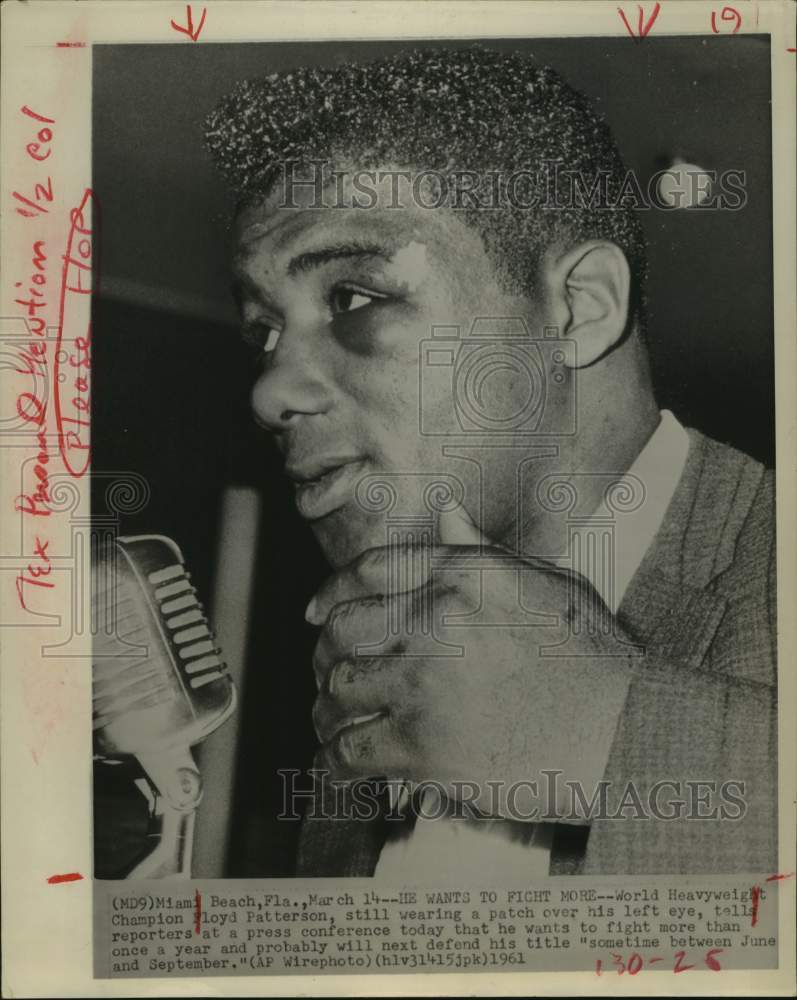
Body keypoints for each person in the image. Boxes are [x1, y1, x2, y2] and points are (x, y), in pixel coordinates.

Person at [204, 45, 776, 876]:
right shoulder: (374, 685)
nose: (269, 391)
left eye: (353, 298)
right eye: (263, 330)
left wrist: (610, 738)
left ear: (578, 308)